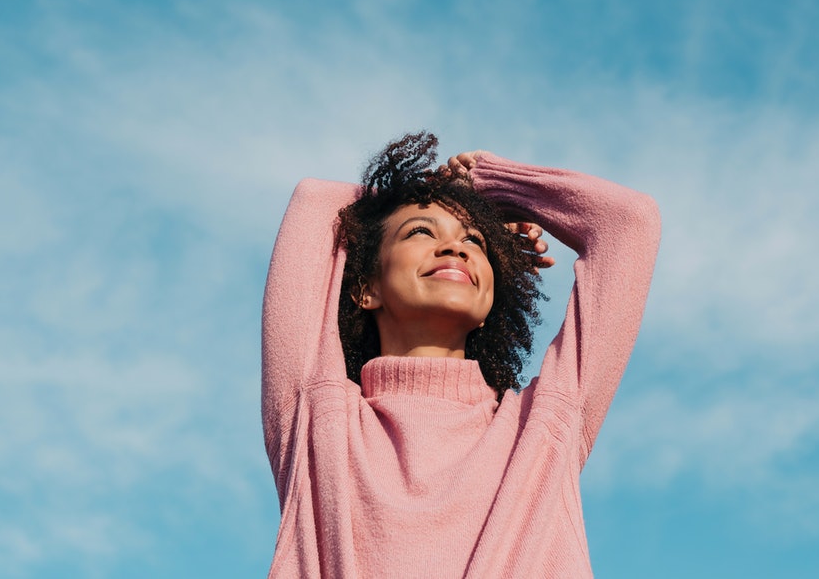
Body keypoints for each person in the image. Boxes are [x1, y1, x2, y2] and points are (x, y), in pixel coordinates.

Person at [262, 132, 660, 577]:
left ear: (490, 301)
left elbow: (629, 222)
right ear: (365, 288)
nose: (455, 247)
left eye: (475, 242)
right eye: (419, 231)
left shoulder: (542, 429)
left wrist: (494, 186)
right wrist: (434, 193)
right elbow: (317, 202)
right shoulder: (317, 418)